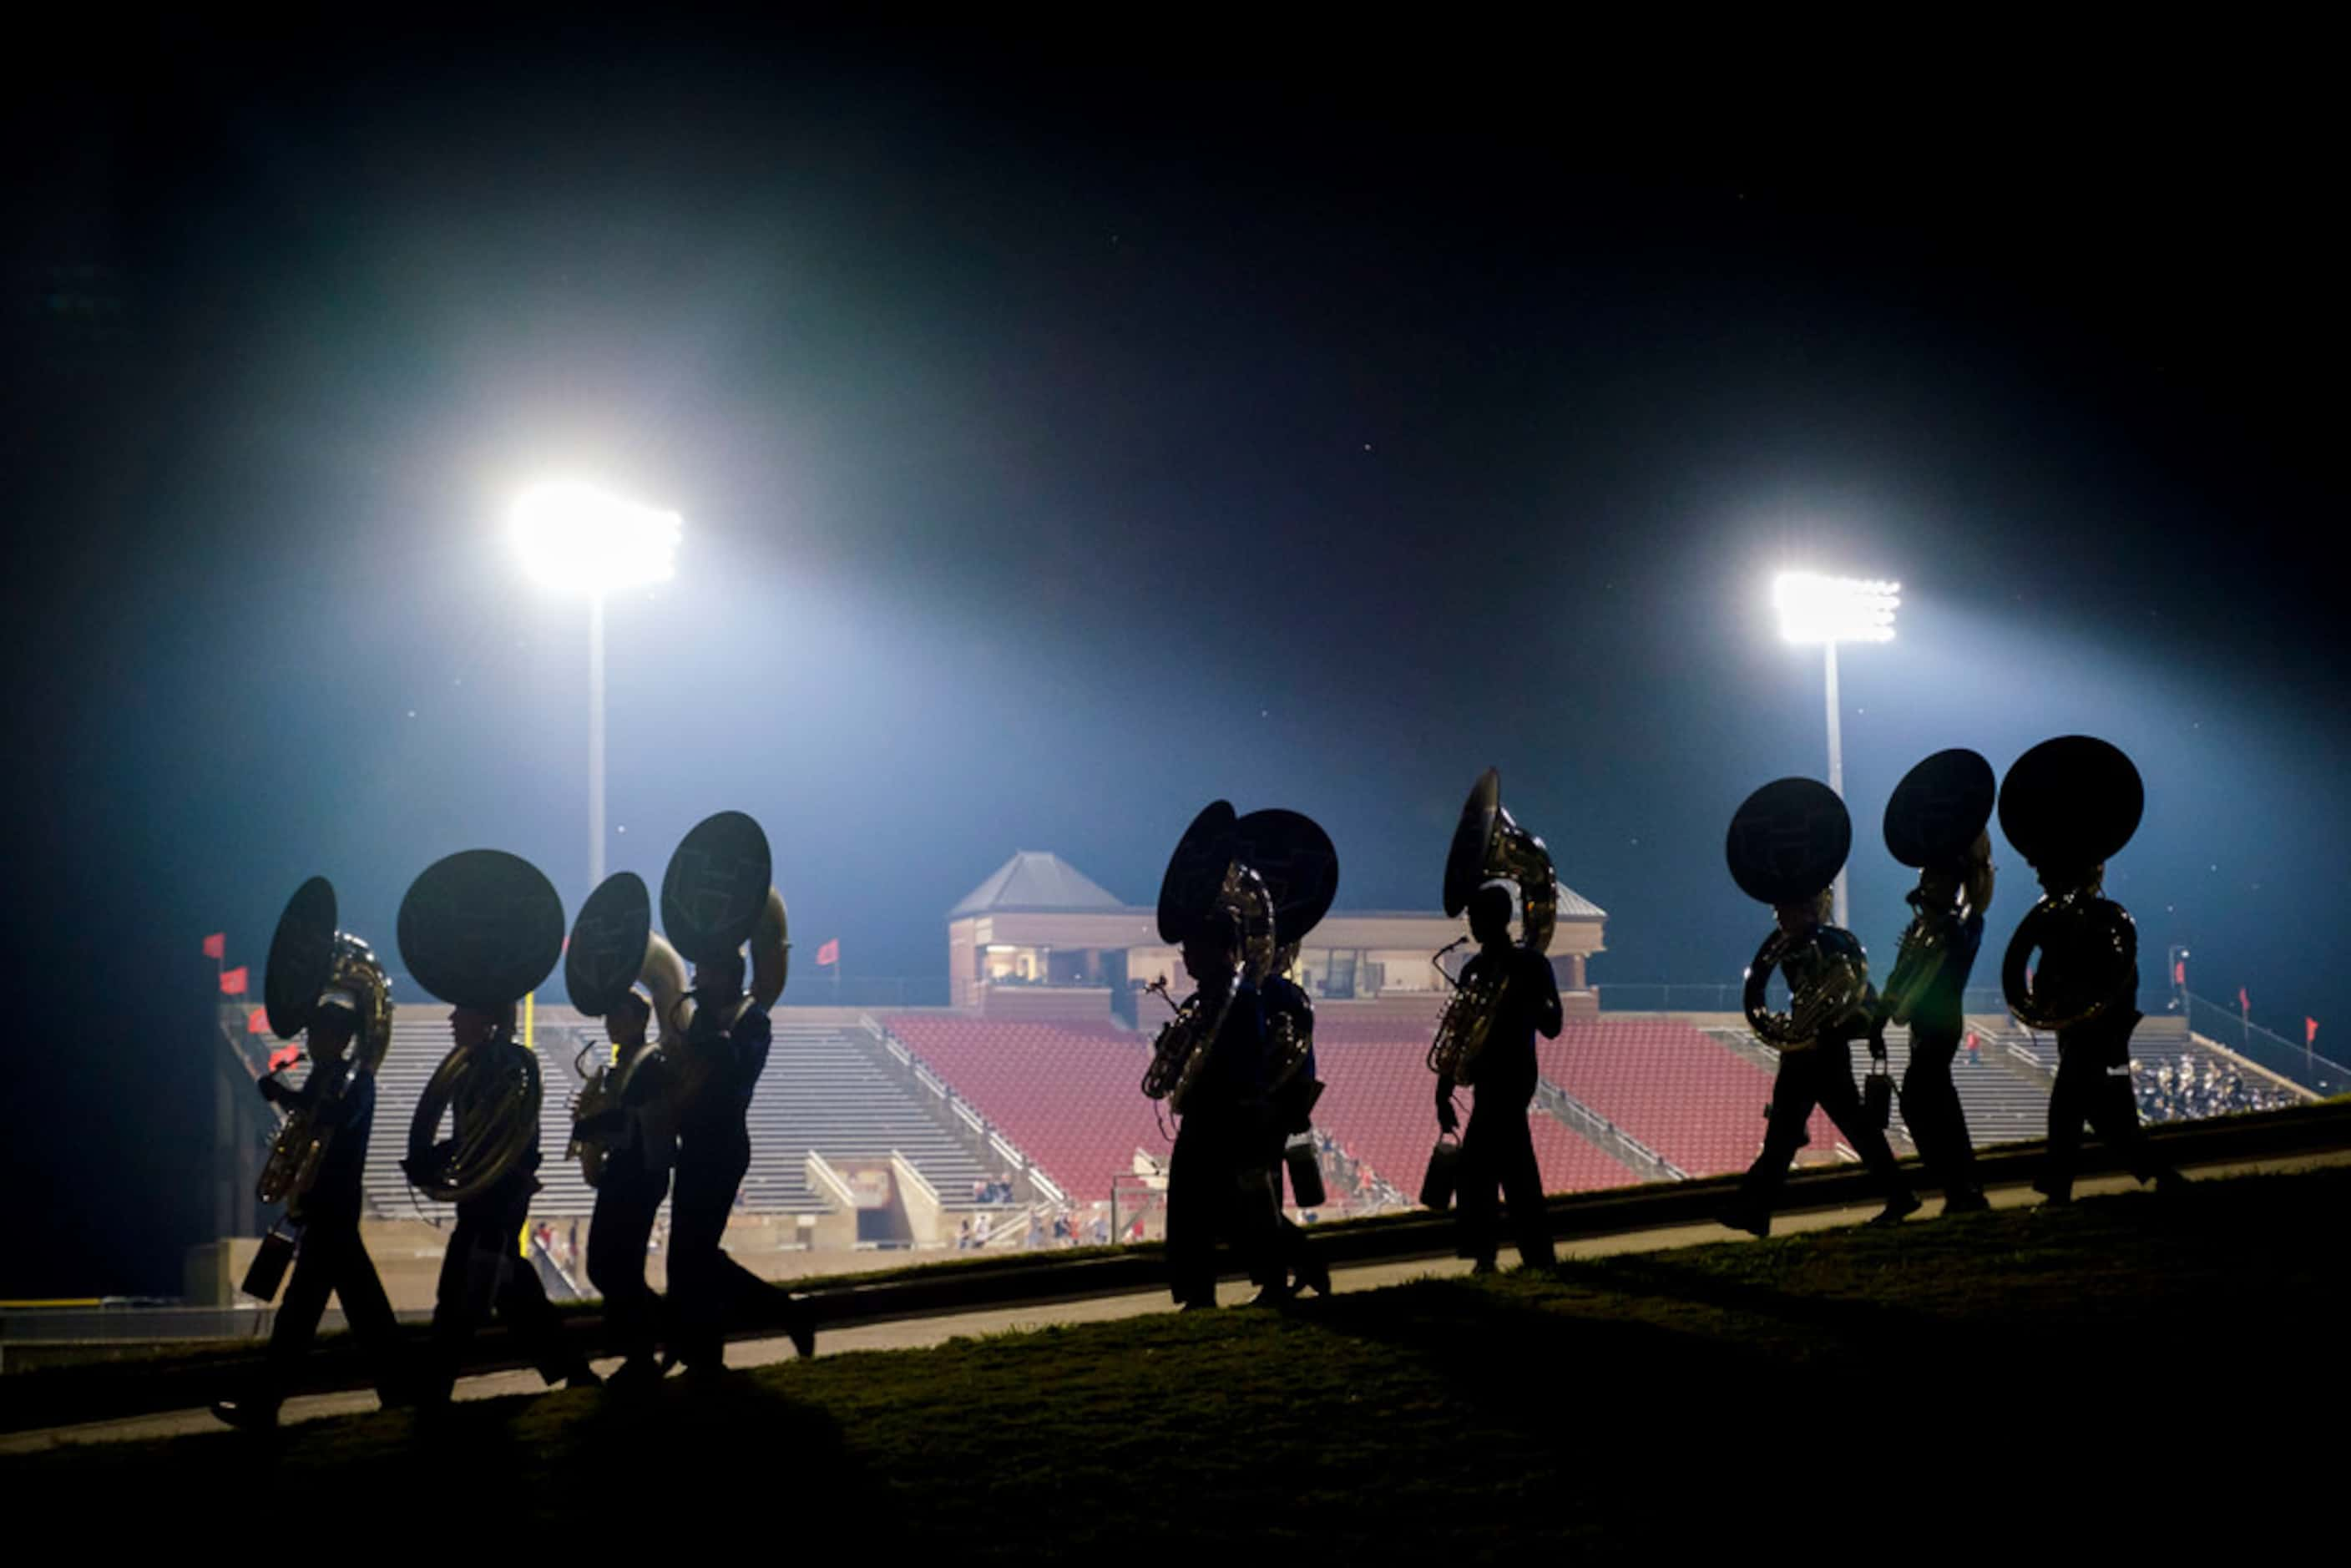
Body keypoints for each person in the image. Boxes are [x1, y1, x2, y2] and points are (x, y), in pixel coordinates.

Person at [213, 997, 407, 1429]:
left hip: (335, 1207)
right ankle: (401, 1392)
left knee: (301, 1317)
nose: (311, 1041)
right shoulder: (326, 1075)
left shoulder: (358, 1079)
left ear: (340, 1037)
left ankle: (263, 1406)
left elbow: (333, 1117)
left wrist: (282, 1094)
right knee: (363, 1312)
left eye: (319, 1033)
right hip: (324, 1209)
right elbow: (312, 1119)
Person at [418, 1001, 598, 1404]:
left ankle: (433, 1389)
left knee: (458, 1292)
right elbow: (478, 1137)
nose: (451, 1020)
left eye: (461, 1012)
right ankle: (574, 1369)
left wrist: (439, 1157)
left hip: (495, 1196)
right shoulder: (475, 1070)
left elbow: (497, 1137)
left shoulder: (502, 1069)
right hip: (487, 1195)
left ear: (485, 1021)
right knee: (514, 1292)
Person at [1719, 890, 1921, 1238]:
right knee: (1806, 1131)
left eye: (1784, 909)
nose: (1778, 918)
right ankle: (1754, 1210)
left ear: (1805, 910)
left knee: (1802, 1132)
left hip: (1819, 1050)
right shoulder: (1791, 946)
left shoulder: (1823, 945)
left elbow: (1847, 990)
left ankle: (1754, 1209)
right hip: (1807, 1048)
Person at [667, 952, 815, 1374]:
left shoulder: (753, 1021)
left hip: (723, 1145)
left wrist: (710, 1031)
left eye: (704, 970)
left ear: (727, 976)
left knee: (696, 1253)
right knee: (685, 1255)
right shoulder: (703, 1019)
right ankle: (699, 1350)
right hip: (695, 1142)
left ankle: (781, 1313)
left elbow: (737, 1074)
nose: (696, 976)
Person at [2032, 862, 2187, 1204]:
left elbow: (2114, 976)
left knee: (2066, 1107)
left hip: (2100, 1031)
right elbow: (2047, 978)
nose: (2041, 880)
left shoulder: (2103, 920)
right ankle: (2164, 1175)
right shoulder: (2057, 924)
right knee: (2110, 1117)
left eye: (2048, 874)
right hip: (2084, 1031)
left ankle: (2057, 1191)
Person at [1433, 883, 1563, 1273]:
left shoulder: (1530, 965)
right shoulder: (1474, 969)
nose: (1471, 924)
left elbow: (1553, 1024)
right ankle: (1530, 1255)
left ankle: (1495, 1255)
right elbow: (1457, 1036)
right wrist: (1444, 1090)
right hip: (1488, 1078)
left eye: (1477, 916)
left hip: (1512, 1075)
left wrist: (1526, 1000)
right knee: (1507, 1166)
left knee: (1485, 1168)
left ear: (1496, 919)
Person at [1163, 909, 1283, 1309]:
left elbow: (1245, 1059)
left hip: (1230, 1116)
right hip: (1202, 1113)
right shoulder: (1201, 1000)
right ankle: (1198, 1293)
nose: (1187, 957)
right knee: (1190, 1208)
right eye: (1186, 949)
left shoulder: (1242, 997)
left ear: (1224, 951)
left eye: (1195, 948)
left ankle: (1284, 1271)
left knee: (1235, 1208)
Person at [1880, 833, 1995, 1213]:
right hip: (1923, 1028)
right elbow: (1898, 981)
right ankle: (1962, 1188)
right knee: (1937, 1105)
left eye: (1932, 879)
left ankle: (1960, 1186)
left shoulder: (1960, 926)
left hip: (1941, 1025)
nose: (1924, 885)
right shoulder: (1922, 928)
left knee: (1921, 1103)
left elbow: (1965, 935)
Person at [578, 991, 676, 1392]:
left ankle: (646, 1351)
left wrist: (590, 1125)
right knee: (610, 1266)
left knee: (611, 1266)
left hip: (639, 1174)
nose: (609, 1023)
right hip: (625, 1172)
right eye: (608, 1016)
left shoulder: (650, 1062)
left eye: (617, 1015)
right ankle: (661, 1336)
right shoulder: (626, 1064)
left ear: (639, 1020)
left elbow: (633, 1123)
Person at [1262, 952, 1334, 1297]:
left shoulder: (1277, 996)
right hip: (1270, 1106)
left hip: (1267, 1108)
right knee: (1260, 1198)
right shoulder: (1280, 995)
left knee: (1258, 1197)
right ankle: (1296, 1263)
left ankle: (1295, 1263)